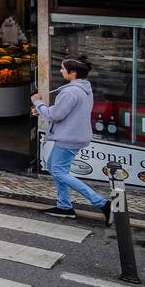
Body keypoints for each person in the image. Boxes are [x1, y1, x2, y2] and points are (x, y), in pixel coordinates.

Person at [33, 58, 111, 222]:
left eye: (63, 69)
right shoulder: (84, 88)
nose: (61, 71)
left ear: (73, 73)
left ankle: (102, 203)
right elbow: (67, 110)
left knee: (59, 172)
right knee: (56, 169)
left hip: (68, 137)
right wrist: (43, 110)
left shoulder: (69, 92)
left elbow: (56, 115)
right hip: (73, 135)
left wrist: (38, 103)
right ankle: (64, 206)